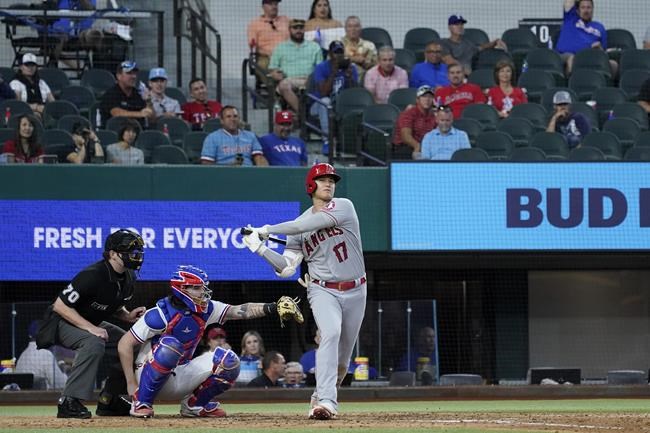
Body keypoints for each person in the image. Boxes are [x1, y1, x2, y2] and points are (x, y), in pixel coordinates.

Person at [242, 162, 367, 421]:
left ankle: (320, 398)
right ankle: (326, 401)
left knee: (343, 361)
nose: (329, 183)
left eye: (332, 179)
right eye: (323, 179)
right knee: (330, 333)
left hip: (356, 289)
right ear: (311, 185)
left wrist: (267, 230)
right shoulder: (298, 225)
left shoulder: (344, 206)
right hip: (322, 290)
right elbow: (287, 268)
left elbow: (306, 225)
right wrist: (261, 249)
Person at [117, 265, 302, 418]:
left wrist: (272, 307)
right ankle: (142, 402)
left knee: (229, 360)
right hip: (150, 374)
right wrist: (131, 384)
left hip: (181, 372)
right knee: (170, 346)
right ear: (181, 290)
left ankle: (194, 405)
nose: (202, 292)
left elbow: (239, 310)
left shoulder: (207, 308)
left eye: (203, 287)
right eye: (197, 288)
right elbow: (124, 344)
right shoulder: (158, 314)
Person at [35, 229, 146, 418]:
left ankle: (109, 401)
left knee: (130, 342)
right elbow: (60, 306)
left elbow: (114, 306)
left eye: (137, 253)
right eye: (129, 253)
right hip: (60, 321)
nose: (135, 257)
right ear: (112, 254)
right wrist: (91, 328)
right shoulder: (93, 274)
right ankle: (69, 401)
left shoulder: (128, 277)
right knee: (93, 342)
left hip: (88, 321)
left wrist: (127, 316)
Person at [311, 40, 359, 154]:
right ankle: (327, 141)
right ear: (330, 54)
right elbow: (323, 92)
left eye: (340, 52)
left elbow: (355, 93)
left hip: (341, 105)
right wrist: (333, 73)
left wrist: (349, 77)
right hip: (318, 106)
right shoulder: (321, 67)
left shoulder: (350, 67)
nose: (338, 55)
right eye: (335, 52)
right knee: (326, 102)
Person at [268, 19, 322, 113]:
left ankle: (302, 116)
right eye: (295, 28)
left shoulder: (314, 47)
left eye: (301, 28)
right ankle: (303, 115)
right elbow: (273, 68)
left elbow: (320, 68)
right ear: (289, 30)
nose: (298, 30)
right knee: (284, 85)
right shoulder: (280, 47)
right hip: (289, 80)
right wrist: (275, 74)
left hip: (308, 80)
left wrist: (311, 79)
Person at [556, 0, 615, 77]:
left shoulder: (599, 27)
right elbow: (568, 2)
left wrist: (599, 48)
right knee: (572, 59)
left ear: (593, 9)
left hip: (589, 58)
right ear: (577, 10)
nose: (586, 10)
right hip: (566, 55)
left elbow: (603, 52)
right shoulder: (570, 19)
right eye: (583, 7)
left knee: (614, 65)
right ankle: (571, 83)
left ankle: (606, 87)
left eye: (589, 7)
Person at [200, 105, 268, 166]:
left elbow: (259, 157)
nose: (232, 119)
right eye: (228, 117)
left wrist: (262, 171)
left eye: (235, 116)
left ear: (239, 119)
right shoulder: (212, 138)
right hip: (223, 175)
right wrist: (229, 167)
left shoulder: (250, 136)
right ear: (222, 120)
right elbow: (206, 164)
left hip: (248, 173)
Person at [440, 15, 507, 76]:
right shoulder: (444, 43)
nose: (460, 27)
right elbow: (449, 61)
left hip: (467, 78)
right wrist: (468, 72)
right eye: (456, 24)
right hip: (450, 77)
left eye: (461, 24)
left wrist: (495, 42)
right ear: (449, 27)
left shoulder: (468, 44)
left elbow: (481, 47)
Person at [15, 320, 68, 390]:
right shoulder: (45, 354)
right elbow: (59, 384)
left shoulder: (23, 355)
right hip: (41, 399)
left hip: (25, 399)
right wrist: (64, 371)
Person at [100, 61, 155, 127]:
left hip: (137, 133)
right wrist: (140, 114)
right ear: (119, 76)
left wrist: (148, 101)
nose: (134, 76)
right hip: (116, 132)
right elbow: (116, 113)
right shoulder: (111, 93)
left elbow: (152, 120)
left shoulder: (138, 94)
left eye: (135, 73)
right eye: (129, 73)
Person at [392, 85, 438, 160]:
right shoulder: (408, 114)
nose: (427, 99)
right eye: (424, 97)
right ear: (417, 100)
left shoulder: (434, 116)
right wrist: (417, 146)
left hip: (425, 147)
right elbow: (405, 136)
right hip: (405, 148)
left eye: (430, 97)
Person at [247, 0, 290, 72]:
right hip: (266, 57)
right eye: (270, 4)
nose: (274, 7)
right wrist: (271, 53)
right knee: (265, 66)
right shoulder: (255, 24)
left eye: (275, 4)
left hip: (288, 56)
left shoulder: (286, 20)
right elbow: (253, 45)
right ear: (263, 6)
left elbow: (299, 31)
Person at [9, 53, 55, 119]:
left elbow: (52, 102)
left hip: (44, 112)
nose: (30, 68)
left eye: (33, 65)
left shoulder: (42, 83)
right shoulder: (15, 83)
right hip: (24, 114)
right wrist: (35, 107)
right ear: (21, 67)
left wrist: (46, 109)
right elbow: (18, 104)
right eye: (27, 65)